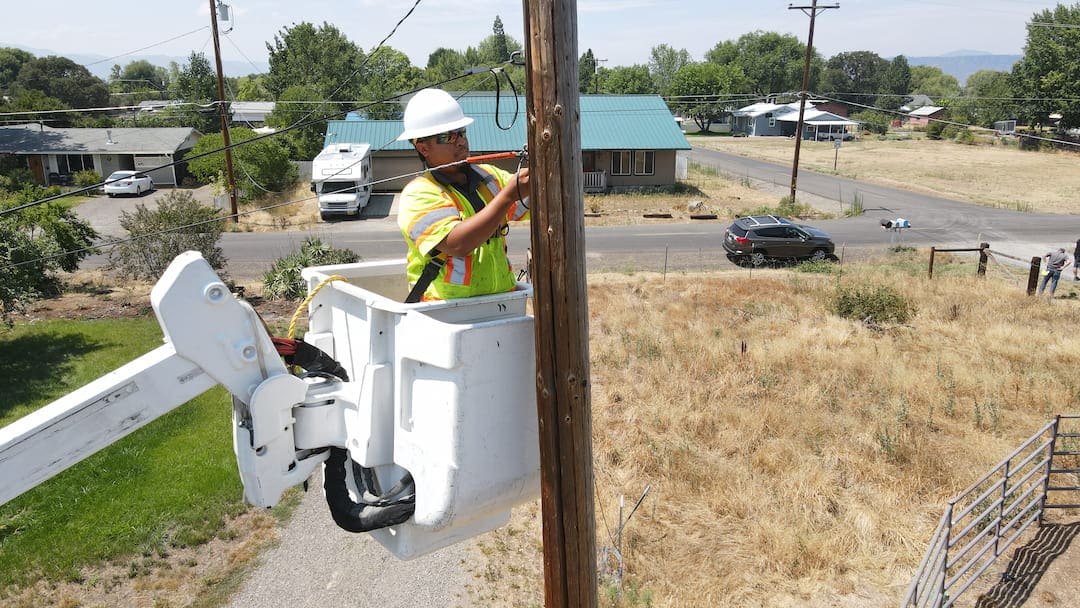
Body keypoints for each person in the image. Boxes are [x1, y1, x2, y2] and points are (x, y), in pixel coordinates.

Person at [396, 88, 530, 301]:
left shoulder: (489, 176)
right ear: (423, 148)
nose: (460, 141)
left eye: (461, 133)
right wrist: (507, 196)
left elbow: (528, 206)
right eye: (447, 136)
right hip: (446, 310)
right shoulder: (418, 194)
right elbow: (457, 244)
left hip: (501, 301)